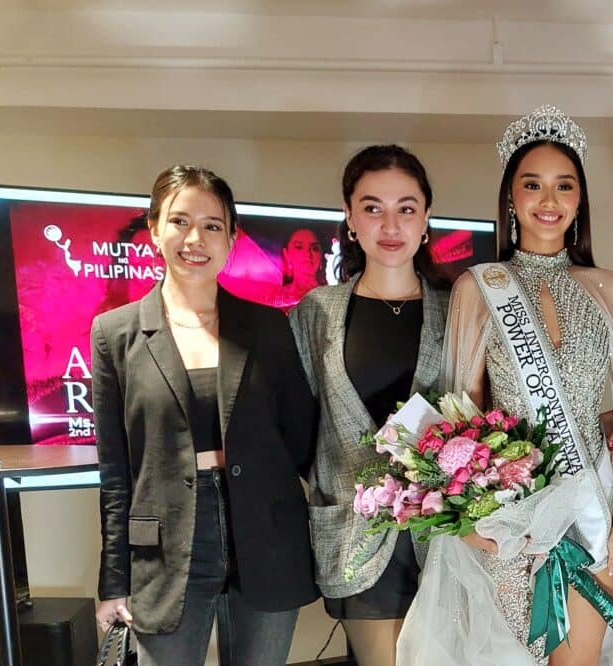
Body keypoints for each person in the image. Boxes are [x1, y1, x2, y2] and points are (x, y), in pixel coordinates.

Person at [398, 105, 613, 665]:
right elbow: (463, 417)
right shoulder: (479, 290)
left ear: (579, 200)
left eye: (564, 186)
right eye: (533, 185)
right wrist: (476, 520)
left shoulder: (612, 292)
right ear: (511, 198)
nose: (548, 201)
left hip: (593, 512)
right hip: (511, 521)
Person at [92, 165, 317, 665]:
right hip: (166, 548)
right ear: (154, 229)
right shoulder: (114, 333)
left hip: (265, 535)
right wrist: (113, 582)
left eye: (212, 225)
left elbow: (303, 441)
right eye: (179, 221)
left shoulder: (268, 328)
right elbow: (115, 473)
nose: (195, 238)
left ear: (231, 238)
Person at [289, 145, 450, 666]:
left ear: (426, 218)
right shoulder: (317, 312)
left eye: (406, 207)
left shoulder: (460, 308)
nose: (390, 224)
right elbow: (293, 426)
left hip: (447, 535)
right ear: (351, 219)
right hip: (357, 536)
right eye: (372, 207)